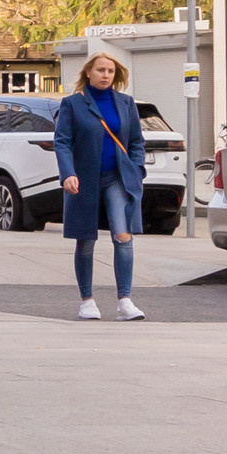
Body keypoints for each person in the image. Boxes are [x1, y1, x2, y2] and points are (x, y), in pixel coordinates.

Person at [57, 49, 148, 320]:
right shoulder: (73, 104)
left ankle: (125, 302)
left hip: (117, 178)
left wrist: (136, 169)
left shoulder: (126, 103)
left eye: (110, 71)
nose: (105, 75)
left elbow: (136, 142)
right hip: (83, 180)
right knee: (85, 239)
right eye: (100, 70)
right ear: (88, 72)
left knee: (123, 236)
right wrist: (68, 173)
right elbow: (62, 141)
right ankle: (87, 300)